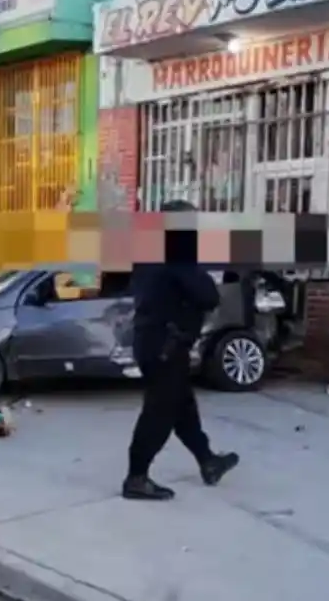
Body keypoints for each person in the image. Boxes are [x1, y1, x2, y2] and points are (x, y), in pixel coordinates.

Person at [123, 200, 238, 500]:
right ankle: (136, 477)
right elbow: (208, 295)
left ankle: (208, 461)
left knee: (183, 409)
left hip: (153, 341)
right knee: (159, 413)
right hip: (166, 345)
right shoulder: (176, 254)